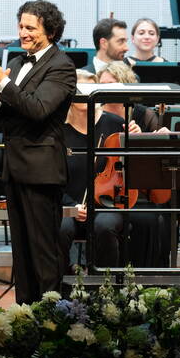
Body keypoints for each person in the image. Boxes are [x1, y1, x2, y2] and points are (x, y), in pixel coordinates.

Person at [0, 0, 77, 303]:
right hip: (15, 166)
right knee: (21, 252)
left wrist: (2, 83)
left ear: (50, 29)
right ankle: (24, 315)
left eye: (30, 27)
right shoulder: (17, 63)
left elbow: (38, 109)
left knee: (43, 251)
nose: (24, 32)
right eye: (21, 26)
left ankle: (50, 316)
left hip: (42, 170)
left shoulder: (61, 65)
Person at [58, 70, 127, 272]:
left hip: (106, 203)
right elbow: (53, 177)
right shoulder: (59, 131)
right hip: (68, 203)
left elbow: (127, 167)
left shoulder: (113, 123)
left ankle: (105, 286)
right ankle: (58, 288)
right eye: (78, 89)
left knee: (104, 226)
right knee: (62, 227)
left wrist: (135, 137)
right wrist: (72, 205)